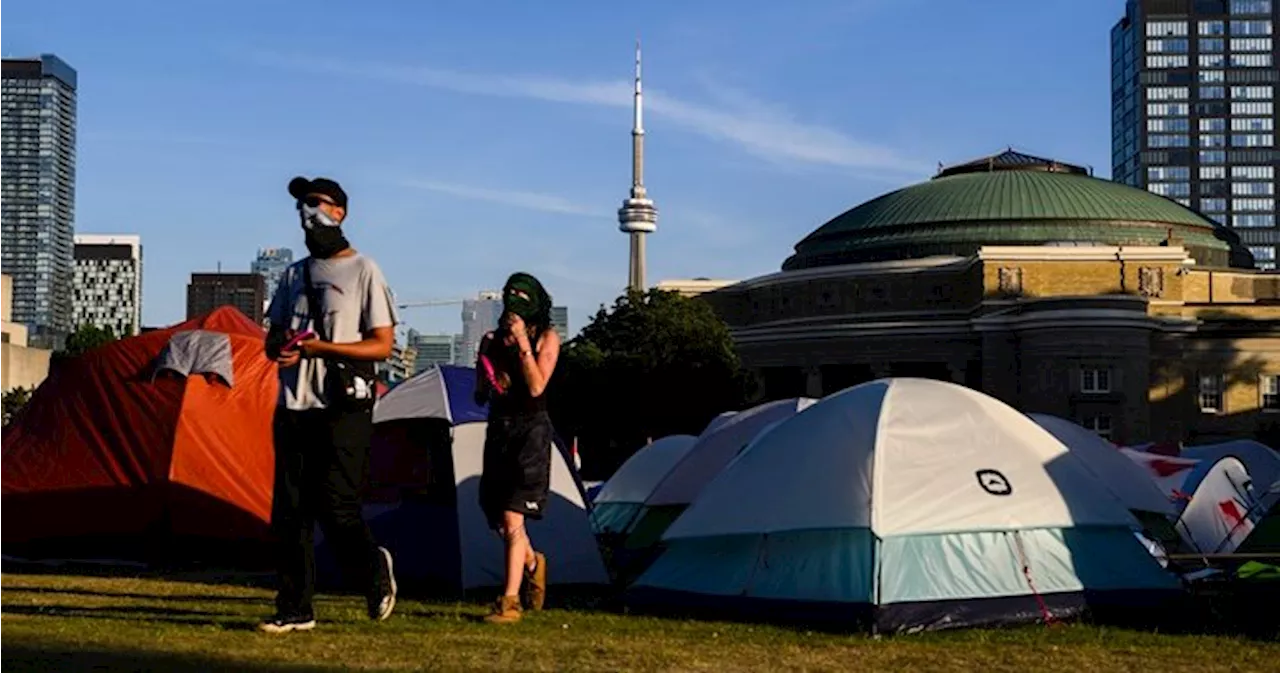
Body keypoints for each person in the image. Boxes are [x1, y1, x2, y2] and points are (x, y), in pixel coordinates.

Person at [259, 176, 398, 633]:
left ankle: (373, 568)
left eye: (316, 204)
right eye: (301, 205)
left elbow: (381, 345)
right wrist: (280, 347)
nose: (307, 212)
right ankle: (295, 608)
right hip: (293, 403)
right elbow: (274, 334)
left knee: (337, 508)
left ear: (339, 212)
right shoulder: (293, 274)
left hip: (343, 406)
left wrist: (324, 350)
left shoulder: (364, 271)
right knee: (290, 514)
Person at [473, 272, 561, 624]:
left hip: (531, 432)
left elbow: (538, 386)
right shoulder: (491, 339)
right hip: (499, 428)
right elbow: (481, 391)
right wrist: (488, 375)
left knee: (513, 517)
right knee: (496, 515)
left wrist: (523, 343)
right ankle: (532, 562)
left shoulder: (547, 338)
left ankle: (509, 602)